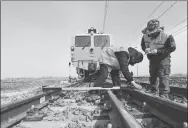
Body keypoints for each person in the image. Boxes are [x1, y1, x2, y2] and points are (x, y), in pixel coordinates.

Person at [141, 19, 176, 98]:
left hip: (163, 59)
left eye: (153, 33)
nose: (150, 35)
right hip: (152, 59)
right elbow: (143, 45)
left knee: (163, 76)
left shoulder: (167, 36)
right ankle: (154, 93)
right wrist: (145, 49)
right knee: (153, 76)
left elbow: (172, 48)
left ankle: (164, 95)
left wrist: (159, 51)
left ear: (158, 30)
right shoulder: (145, 36)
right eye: (149, 33)